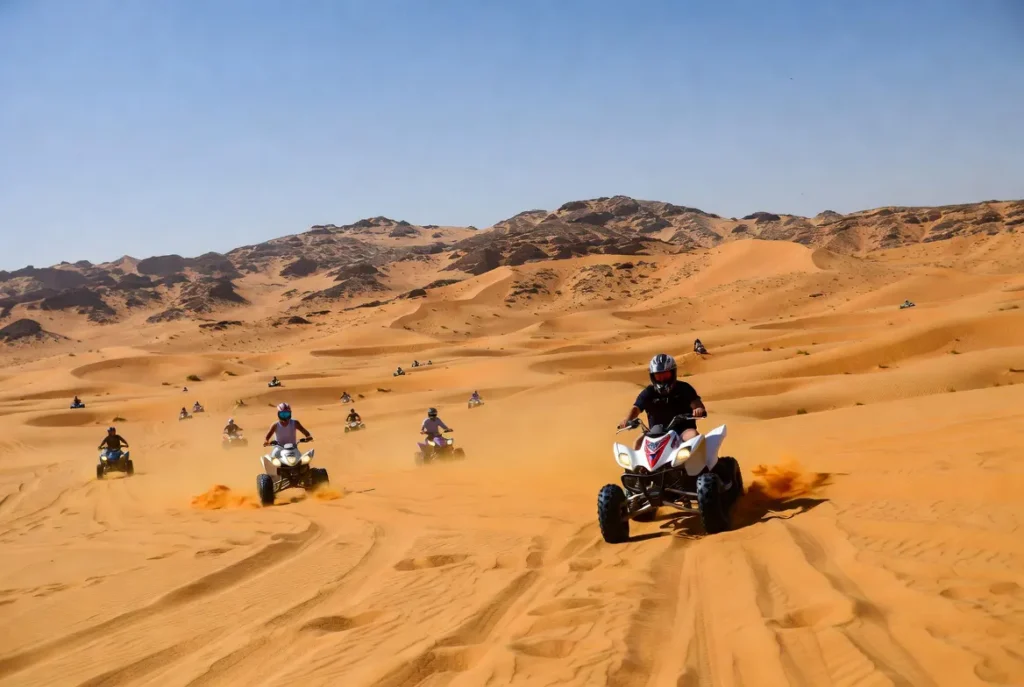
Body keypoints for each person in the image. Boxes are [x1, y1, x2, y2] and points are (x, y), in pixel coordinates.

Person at [618, 354, 706, 450]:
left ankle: (699, 465)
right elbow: (636, 408)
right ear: (653, 376)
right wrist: (628, 420)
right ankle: (637, 466)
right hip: (656, 434)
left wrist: (698, 409)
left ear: (673, 373)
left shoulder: (684, 388)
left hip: (682, 431)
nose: (662, 379)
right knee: (638, 443)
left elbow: (695, 402)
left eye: (665, 375)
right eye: (658, 376)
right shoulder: (649, 392)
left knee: (693, 436)